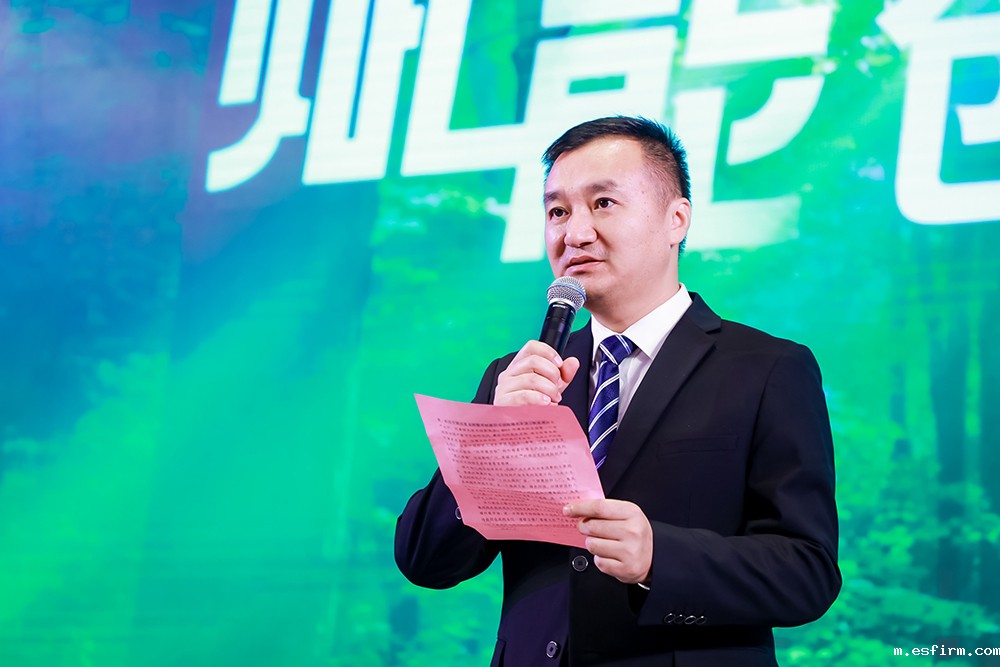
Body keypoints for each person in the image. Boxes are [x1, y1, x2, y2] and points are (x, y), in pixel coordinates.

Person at [395, 116, 840, 666]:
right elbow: (425, 560)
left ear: (676, 219)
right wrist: (490, 440)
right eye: (557, 211)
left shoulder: (767, 369)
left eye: (603, 203)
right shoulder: (518, 377)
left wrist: (660, 558)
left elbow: (808, 571)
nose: (574, 233)